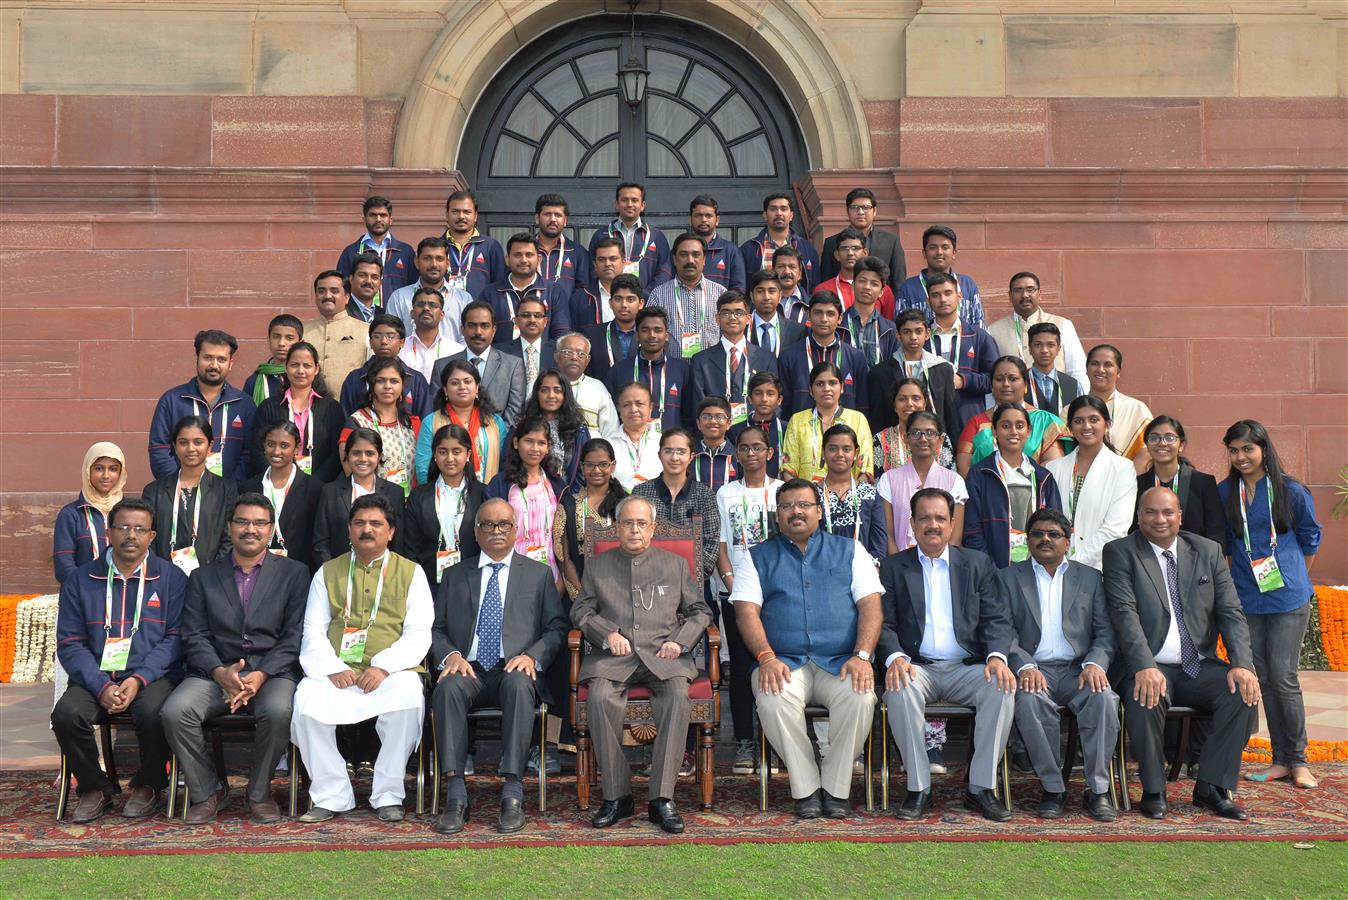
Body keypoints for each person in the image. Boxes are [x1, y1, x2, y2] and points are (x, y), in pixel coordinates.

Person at [1103, 486, 1261, 821]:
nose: (1160, 520)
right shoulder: (1120, 552)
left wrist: (1242, 665)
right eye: (1150, 512)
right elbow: (1124, 614)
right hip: (1149, 663)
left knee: (1243, 694)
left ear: (1180, 517)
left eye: (1167, 512)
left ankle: (1211, 786)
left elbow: (1231, 612)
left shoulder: (1207, 551)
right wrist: (1144, 666)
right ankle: (1154, 789)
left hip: (1197, 664)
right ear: (1138, 516)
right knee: (1146, 693)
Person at [732, 477, 882, 817]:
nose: (795, 512)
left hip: (840, 662)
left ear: (819, 511)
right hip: (784, 663)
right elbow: (746, 612)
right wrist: (766, 658)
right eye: (786, 506)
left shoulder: (850, 550)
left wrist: (862, 656)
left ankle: (835, 787)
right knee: (771, 698)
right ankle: (807, 789)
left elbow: (871, 606)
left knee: (861, 696)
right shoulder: (757, 557)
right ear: (776, 514)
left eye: (804, 505)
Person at [161, 493, 310, 824]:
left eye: (259, 523)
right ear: (229, 527)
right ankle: (208, 790)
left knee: (279, 710)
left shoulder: (294, 573)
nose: (250, 529)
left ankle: (259, 793)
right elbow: (194, 634)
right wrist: (218, 671)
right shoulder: (203, 577)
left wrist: (260, 675)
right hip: (214, 672)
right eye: (242, 521)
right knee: (175, 711)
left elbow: (294, 636)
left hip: (271, 673)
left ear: (271, 529)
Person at [572, 495, 712, 833]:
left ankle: (661, 799)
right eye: (627, 523)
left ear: (652, 529)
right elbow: (581, 611)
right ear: (617, 528)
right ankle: (617, 796)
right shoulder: (598, 565)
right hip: (615, 659)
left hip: (663, 658)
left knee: (678, 696)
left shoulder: (674, 565)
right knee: (600, 697)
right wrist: (606, 634)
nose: (634, 530)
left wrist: (680, 641)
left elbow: (701, 611)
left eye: (641, 524)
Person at [292, 493, 433, 823]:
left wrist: (383, 666)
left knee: (408, 697)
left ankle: (388, 793)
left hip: (391, 672)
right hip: (338, 669)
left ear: (391, 531)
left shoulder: (412, 573)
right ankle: (331, 794)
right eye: (359, 523)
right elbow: (312, 630)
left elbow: (419, 632)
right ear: (349, 529)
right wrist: (332, 667)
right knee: (307, 699)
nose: (366, 529)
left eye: (375, 524)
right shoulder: (327, 573)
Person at [431, 498, 568, 835]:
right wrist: (451, 656)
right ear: (475, 533)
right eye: (488, 525)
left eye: (503, 524)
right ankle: (456, 794)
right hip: (469, 668)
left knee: (521, 684)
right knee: (447, 686)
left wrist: (532, 656)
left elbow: (556, 628)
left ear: (515, 530)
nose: (496, 530)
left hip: (514, 666)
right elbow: (436, 628)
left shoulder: (537, 575)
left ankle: (512, 791)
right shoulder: (454, 575)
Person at [878, 488, 1016, 822]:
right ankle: (918, 787)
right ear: (911, 523)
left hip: (966, 667)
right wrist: (895, 657)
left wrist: (997, 656)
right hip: (917, 667)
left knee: (1001, 686)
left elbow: (997, 617)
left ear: (952, 524)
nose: (933, 525)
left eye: (940, 518)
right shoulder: (894, 567)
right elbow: (882, 623)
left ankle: (981, 787)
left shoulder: (977, 564)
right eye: (924, 518)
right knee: (899, 688)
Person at [52, 498, 187, 823]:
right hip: (95, 676)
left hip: (151, 677)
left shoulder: (171, 579)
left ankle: (149, 785)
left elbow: (175, 639)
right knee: (66, 715)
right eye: (123, 527)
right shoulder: (81, 580)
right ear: (109, 532)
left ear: (152, 536)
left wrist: (137, 679)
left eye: (140, 529)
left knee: (156, 713)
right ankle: (95, 787)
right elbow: (70, 643)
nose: (131, 536)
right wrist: (100, 686)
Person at [1219, 420, 1322, 791]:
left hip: (1288, 598)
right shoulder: (1225, 492)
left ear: (1263, 449)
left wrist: (1295, 574)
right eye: (1234, 450)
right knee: (1263, 679)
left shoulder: (1290, 490)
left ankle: (1299, 761)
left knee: (1283, 676)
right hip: (1247, 598)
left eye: (1248, 448)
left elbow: (1311, 537)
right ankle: (1280, 760)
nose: (1241, 456)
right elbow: (1227, 545)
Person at [1002, 507, 1119, 821]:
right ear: (1028, 540)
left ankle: (1098, 790)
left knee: (1104, 699)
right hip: (1035, 669)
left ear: (1067, 542)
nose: (1045, 539)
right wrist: (1025, 666)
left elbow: (1106, 632)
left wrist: (1096, 664)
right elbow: (1002, 630)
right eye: (1038, 533)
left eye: (1054, 534)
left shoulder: (1091, 578)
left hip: (1079, 669)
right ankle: (1054, 788)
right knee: (1028, 700)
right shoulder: (1009, 577)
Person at [713, 427, 781, 774]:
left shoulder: (782, 491)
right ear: (735, 454)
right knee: (741, 670)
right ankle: (745, 741)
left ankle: (777, 742)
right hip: (736, 593)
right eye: (744, 448)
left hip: (776, 595)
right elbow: (720, 545)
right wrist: (731, 582)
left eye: (758, 447)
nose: (751, 453)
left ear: (769, 452)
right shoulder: (725, 493)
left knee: (778, 664)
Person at [963, 403, 1064, 569]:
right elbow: (973, 530)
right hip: (994, 570)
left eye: (1020, 426)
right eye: (1005, 426)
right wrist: (989, 570)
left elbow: (1055, 526)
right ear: (994, 430)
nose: (1013, 432)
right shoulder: (980, 474)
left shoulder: (1043, 477)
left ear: (1029, 431)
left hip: (1035, 568)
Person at [1042, 396, 1137, 571]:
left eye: (1094, 420)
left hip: (1101, 569)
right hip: (1055, 568)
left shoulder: (1122, 468)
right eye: (1078, 421)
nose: (1086, 426)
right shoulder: (1054, 468)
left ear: (1107, 424)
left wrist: (1074, 563)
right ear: (1069, 428)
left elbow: (1115, 529)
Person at [149, 329, 256, 482]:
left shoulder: (244, 404)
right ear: (197, 358)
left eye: (221, 359)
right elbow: (159, 449)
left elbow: (249, 454)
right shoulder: (172, 400)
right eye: (208, 358)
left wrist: (229, 490)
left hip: (229, 497)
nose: (214, 365)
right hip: (180, 494)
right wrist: (179, 485)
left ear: (230, 363)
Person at [633, 428, 722, 600]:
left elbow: (710, 547)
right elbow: (633, 539)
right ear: (660, 455)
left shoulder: (705, 495)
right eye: (668, 451)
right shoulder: (641, 493)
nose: (674, 458)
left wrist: (684, 577)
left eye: (681, 452)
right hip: (648, 586)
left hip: (694, 587)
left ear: (691, 456)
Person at [143, 415, 236, 575]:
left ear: (210, 446)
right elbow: (146, 537)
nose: (190, 448)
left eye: (198, 442)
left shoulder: (226, 489)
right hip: (164, 578)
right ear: (175, 446)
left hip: (212, 580)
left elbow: (230, 538)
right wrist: (159, 571)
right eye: (183, 442)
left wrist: (211, 574)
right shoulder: (154, 491)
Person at [484, 415, 567, 585]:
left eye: (541, 443)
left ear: (548, 447)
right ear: (516, 443)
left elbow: (564, 533)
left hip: (552, 573)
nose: (535, 448)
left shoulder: (556, 484)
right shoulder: (501, 484)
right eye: (528, 441)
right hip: (510, 573)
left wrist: (562, 580)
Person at [400, 423, 485, 588]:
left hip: (474, 582)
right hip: (428, 584)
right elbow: (410, 548)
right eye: (443, 452)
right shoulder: (418, 496)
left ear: (468, 454)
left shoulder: (483, 494)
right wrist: (419, 586)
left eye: (457, 451)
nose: (450, 458)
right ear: (434, 455)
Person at [956, 356, 1070, 476]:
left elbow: (1054, 465)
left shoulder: (1046, 421)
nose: (1006, 384)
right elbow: (965, 469)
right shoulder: (976, 423)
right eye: (999, 379)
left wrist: (1019, 484)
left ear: (1026, 385)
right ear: (992, 386)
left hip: (1035, 491)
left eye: (1013, 379)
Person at [249, 341, 344, 483]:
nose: (301, 371)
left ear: (316, 369)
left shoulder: (332, 408)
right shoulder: (268, 407)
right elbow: (257, 450)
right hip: (275, 486)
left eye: (307, 365)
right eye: (294, 365)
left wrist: (314, 484)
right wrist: (279, 480)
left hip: (320, 488)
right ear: (286, 367)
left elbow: (336, 454)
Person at [312, 429, 406, 565]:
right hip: (339, 575)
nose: (363, 459)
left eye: (370, 453)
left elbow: (398, 542)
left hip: (383, 575)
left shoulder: (394, 492)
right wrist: (332, 573)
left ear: (379, 456)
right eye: (356, 453)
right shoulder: (330, 492)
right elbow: (320, 542)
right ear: (347, 455)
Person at [879, 411, 967, 553]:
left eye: (930, 433)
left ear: (940, 440)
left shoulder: (955, 481)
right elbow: (888, 535)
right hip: (900, 566)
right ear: (906, 438)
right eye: (915, 433)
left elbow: (955, 537)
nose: (923, 438)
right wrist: (897, 567)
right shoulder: (888, 480)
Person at [688, 289, 778, 427]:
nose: (732, 317)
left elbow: (772, 401)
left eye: (738, 312)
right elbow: (698, 405)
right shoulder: (701, 360)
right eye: (726, 313)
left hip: (755, 435)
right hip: (716, 435)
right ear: (717, 319)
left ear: (748, 319)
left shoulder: (766, 358)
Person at [867, 310, 961, 442]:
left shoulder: (943, 368)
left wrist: (954, 450)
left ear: (927, 334)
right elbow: (877, 418)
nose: (913, 337)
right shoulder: (880, 372)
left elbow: (951, 416)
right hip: (894, 445)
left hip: (934, 443)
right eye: (906, 332)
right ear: (898, 335)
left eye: (918, 331)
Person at [241, 421, 323, 571]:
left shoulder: (314, 488)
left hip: (299, 573)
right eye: (271, 444)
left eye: (284, 446)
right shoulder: (248, 487)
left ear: (297, 448)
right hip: (255, 571)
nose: (276, 451)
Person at [1133, 416, 1227, 545]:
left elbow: (1217, 533)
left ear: (1181, 445)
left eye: (1169, 438)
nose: (1162, 443)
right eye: (1154, 438)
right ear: (1147, 446)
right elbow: (1133, 530)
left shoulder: (1203, 483)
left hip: (1196, 561)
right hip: (1148, 561)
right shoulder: (1137, 485)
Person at [432, 300, 527, 428]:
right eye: (472, 325)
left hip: (498, 442)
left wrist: (491, 437)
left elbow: (514, 413)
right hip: (452, 441)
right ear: (462, 329)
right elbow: (437, 410)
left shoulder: (513, 365)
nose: (478, 332)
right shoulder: (442, 366)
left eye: (485, 326)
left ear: (493, 331)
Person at [922, 272, 999, 428]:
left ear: (959, 297)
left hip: (969, 417)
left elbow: (995, 379)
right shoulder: (920, 336)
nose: (943, 299)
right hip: (928, 417)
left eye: (948, 293)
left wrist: (963, 381)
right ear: (928, 301)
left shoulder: (979, 337)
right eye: (936, 295)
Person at [555, 437, 628, 600]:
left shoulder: (626, 504)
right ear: (582, 466)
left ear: (613, 466)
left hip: (622, 595)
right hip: (581, 597)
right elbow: (565, 560)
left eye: (603, 464)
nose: (596, 471)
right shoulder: (569, 505)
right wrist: (584, 600)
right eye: (590, 465)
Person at [777, 290, 870, 418]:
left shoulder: (855, 357)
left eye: (830, 314)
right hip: (801, 434)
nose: (824, 319)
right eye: (818, 313)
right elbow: (784, 406)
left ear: (840, 318)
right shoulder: (789, 357)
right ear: (808, 316)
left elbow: (862, 406)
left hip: (845, 435)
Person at [418, 358, 508, 485]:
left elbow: (504, 463)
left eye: (467, 382)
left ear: (477, 387)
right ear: (445, 390)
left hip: (487, 495)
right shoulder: (431, 422)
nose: (462, 387)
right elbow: (423, 469)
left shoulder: (495, 422)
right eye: (454, 383)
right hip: (443, 496)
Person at [985, 272, 1087, 385]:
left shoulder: (1062, 325)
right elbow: (991, 375)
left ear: (1039, 294)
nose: (1024, 295)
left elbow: (1078, 372)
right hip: (1012, 400)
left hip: (1058, 399)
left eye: (1030, 289)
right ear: (1010, 296)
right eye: (1018, 290)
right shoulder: (994, 331)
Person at [780, 362, 873, 484]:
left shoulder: (857, 419)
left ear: (842, 387)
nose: (826, 389)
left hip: (849, 497)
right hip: (805, 498)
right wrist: (802, 496)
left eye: (832, 383)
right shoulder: (797, 420)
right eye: (820, 384)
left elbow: (865, 466)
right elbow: (788, 468)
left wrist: (849, 496)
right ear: (811, 390)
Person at [340, 357, 421, 495]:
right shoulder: (356, 422)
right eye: (380, 381)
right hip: (369, 505)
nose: (387, 386)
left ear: (402, 386)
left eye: (394, 381)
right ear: (372, 385)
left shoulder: (413, 423)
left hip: (409, 504)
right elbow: (349, 469)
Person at [476, 232, 572, 342]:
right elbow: (483, 334)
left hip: (543, 357)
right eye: (517, 255)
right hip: (501, 358)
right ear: (507, 260)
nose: (523, 260)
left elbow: (561, 334)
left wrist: (546, 357)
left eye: (529, 255)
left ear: (539, 259)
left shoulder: (554, 291)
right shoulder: (490, 293)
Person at [606, 306, 691, 432]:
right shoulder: (619, 371)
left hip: (671, 447)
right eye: (645, 330)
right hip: (629, 445)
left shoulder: (682, 370)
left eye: (658, 330)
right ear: (637, 336)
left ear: (666, 335)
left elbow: (689, 415)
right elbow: (611, 415)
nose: (652, 335)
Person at [54, 442, 127, 585]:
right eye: (99, 468)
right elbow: (64, 564)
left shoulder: (130, 512)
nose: (106, 475)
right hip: (82, 595)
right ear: (88, 471)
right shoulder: (71, 514)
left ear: (121, 473)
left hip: (122, 594)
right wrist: (88, 591)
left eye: (113, 469)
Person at [647, 232, 726, 359]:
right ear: (674, 259)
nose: (690, 260)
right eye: (684, 254)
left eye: (696, 255)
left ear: (704, 259)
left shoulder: (720, 293)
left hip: (710, 370)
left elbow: (728, 333)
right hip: (671, 371)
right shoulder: (658, 295)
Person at [338, 314, 434, 418]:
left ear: (402, 342)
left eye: (390, 336)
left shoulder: (416, 380)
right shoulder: (355, 378)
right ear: (370, 342)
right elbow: (346, 417)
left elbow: (426, 420)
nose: (383, 341)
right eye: (377, 336)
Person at [815, 424, 887, 564]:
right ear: (823, 452)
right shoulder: (812, 494)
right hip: (822, 572)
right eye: (832, 449)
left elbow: (879, 543)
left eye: (846, 449)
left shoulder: (870, 494)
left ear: (856, 453)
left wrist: (868, 572)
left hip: (862, 574)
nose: (839, 454)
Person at [386, 236, 473, 346]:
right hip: (408, 362)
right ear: (417, 262)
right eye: (427, 258)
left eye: (439, 259)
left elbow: (467, 339)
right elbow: (391, 337)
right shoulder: (399, 298)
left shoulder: (463, 299)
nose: (434, 264)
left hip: (453, 362)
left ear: (447, 263)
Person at [896, 225, 985, 331]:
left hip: (964, 346)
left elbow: (979, 325)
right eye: (933, 247)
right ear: (924, 253)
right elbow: (901, 328)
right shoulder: (908, 288)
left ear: (954, 253)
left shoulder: (967, 284)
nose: (939, 252)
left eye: (945, 247)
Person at [819, 188, 905, 294]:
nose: (860, 212)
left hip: (881, 303)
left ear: (874, 211)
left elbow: (898, 280)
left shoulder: (891, 241)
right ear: (847, 211)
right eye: (855, 207)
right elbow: (826, 279)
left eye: (866, 207)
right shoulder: (831, 243)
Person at [586, 182, 671, 288]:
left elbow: (665, 272)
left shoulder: (657, 237)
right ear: (617, 205)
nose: (629, 204)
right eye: (624, 200)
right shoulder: (601, 235)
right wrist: (608, 293)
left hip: (647, 301)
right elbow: (591, 270)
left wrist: (646, 295)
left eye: (634, 200)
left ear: (642, 205)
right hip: (609, 299)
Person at [336, 195, 417, 302]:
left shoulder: (405, 252)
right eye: (373, 215)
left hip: (396, 316)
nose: (378, 219)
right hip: (359, 316)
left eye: (383, 215)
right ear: (364, 220)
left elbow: (414, 287)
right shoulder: (351, 252)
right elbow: (342, 288)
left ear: (390, 220)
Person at [1086, 343, 1153, 471]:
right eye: (1094, 363)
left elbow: (1147, 453)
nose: (1100, 369)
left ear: (1118, 372)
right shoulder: (1070, 410)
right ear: (1086, 369)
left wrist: (1124, 481)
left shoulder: (1136, 409)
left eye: (1108, 365)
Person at [519, 368, 589, 491]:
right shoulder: (522, 425)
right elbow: (511, 463)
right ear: (537, 394)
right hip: (528, 493)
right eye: (544, 390)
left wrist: (569, 499)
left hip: (569, 495)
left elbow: (584, 470)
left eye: (557, 390)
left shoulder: (578, 429)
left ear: (565, 395)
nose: (551, 395)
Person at [873, 376, 957, 473]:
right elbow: (877, 482)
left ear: (925, 404)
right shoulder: (880, 439)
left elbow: (949, 477)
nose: (909, 403)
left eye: (916, 398)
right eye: (902, 399)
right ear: (895, 405)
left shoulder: (940, 438)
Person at [738, 192, 820, 291]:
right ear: (765, 215)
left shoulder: (807, 248)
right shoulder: (749, 249)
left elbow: (815, 287)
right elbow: (742, 286)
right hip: (761, 305)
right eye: (773, 209)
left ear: (791, 216)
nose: (779, 213)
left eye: (784, 209)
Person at [304, 270, 370, 392]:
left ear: (347, 297)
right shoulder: (302, 332)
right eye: (321, 291)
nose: (327, 296)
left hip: (350, 406)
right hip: (309, 407)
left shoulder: (366, 330)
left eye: (334, 291)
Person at [442, 189, 507, 299]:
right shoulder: (436, 246)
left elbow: (499, 286)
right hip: (444, 313)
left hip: (479, 313)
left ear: (475, 216)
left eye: (467, 212)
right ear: (447, 215)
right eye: (455, 211)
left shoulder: (491, 246)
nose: (461, 216)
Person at [820, 228, 897, 319]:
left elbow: (888, 326)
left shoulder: (881, 289)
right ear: (837, 255)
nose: (850, 253)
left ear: (865, 253)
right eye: (844, 249)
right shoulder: (823, 289)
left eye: (855, 248)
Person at [582, 272, 642, 384]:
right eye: (618, 299)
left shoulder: (649, 336)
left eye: (630, 299)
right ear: (610, 303)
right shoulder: (592, 336)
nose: (624, 304)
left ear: (640, 304)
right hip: (603, 397)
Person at [397, 286, 464, 385]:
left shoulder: (456, 351)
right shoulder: (398, 349)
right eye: (420, 304)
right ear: (412, 313)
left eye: (432, 305)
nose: (426, 308)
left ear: (442, 315)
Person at [555, 332, 617, 437]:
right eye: (567, 352)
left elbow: (611, 433)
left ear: (587, 360)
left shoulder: (598, 388)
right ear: (557, 357)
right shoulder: (543, 384)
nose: (574, 357)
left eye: (581, 354)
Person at [605, 381, 664, 491]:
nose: (633, 409)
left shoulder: (663, 443)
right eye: (626, 405)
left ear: (651, 407)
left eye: (639, 404)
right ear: (619, 409)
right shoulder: (607, 445)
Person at [728, 371, 788, 480]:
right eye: (758, 393)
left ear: (779, 400)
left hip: (779, 491)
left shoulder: (787, 429)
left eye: (770, 394)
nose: (764, 399)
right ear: (749, 399)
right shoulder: (736, 430)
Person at [841, 256, 899, 366]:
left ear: (882, 292)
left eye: (874, 284)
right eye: (862, 281)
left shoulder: (890, 330)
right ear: (853, 285)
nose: (867, 287)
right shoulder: (839, 324)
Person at [534, 192, 592, 297]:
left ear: (565, 220)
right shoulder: (525, 251)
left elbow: (583, 294)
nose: (553, 219)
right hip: (531, 313)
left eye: (558, 215)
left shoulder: (578, 253)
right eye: (547, 214)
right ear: (537, 219)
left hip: (565, 313)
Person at [497, 295, 557, 396]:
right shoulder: (499, 353)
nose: (532, 320)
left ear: (545, 321)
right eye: (525, 315)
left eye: (537, 315)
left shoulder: (557, 352)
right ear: (516, 320)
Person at [1022, 322, 1081, 418]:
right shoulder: (1019, 383)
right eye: (1038, 345)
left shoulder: (1074, 385)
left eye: (1050, 345)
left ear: (1058, 349)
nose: (1044, 350)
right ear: (1030, 349)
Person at [687, 194, 745, 291]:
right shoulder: (681, 250)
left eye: (708, 216)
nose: (703, 220)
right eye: (698, 215)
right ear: (690, 220)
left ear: (717, 220)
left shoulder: (731, 251)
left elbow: (738, 289)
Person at [746, 269, 807, 359]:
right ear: (752, 296)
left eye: (772, 291)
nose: (766, 297)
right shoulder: (742, 328)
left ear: (780, 296)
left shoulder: (796, 331)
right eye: (760, 291)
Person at [244, 314, 303, 406]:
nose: (281, 343)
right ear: (268, 340)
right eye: (276, 336)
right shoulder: (254, 381)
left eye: (289, 338)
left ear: (300, 343)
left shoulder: (305, 377)